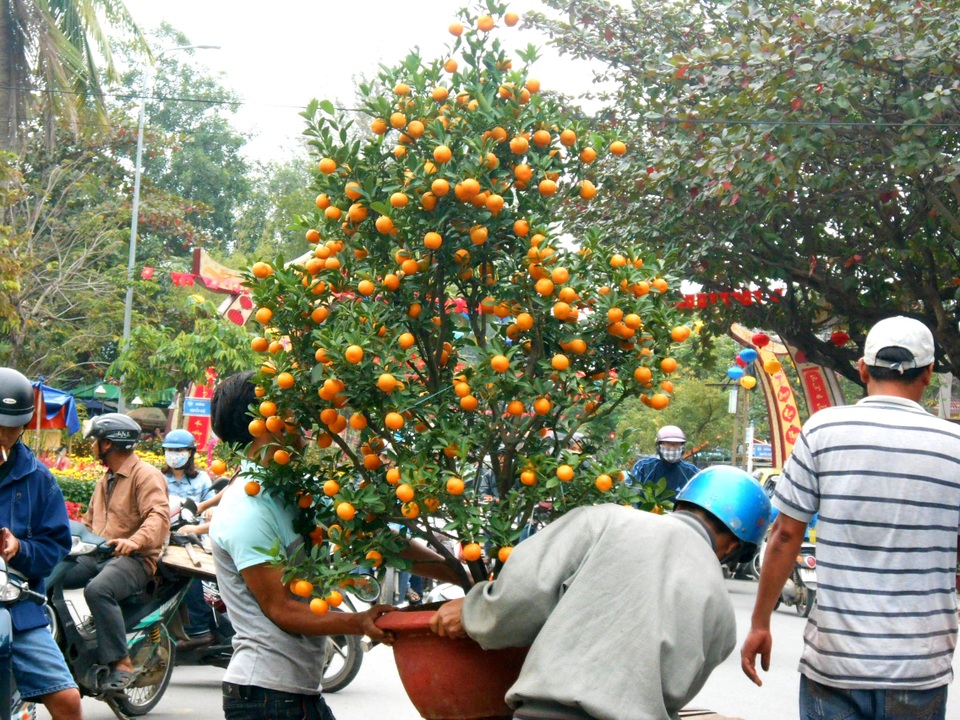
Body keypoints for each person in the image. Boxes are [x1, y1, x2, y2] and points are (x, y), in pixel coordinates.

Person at [741, 316, 960, 720]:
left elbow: (786, 536)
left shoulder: (823, 430)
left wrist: (759, 623)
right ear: (929, 373)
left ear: (862, 368)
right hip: (921, 665)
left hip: (836, 662)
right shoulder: (954, 445)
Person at [431, 465, 772, 720]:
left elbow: (521, 596)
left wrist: (471, 612)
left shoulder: (603, 521)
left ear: (681, 504)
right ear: (734, 548)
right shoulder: (723, 613)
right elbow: (676, 693)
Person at [210, 371, 458, 720]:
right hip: (265, 699)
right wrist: (359, 621)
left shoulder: (297, 492)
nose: (302, 421)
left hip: (294, 695)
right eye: (290, 410)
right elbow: (281, 608)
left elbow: (379, 541)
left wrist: (463, 577)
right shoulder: (245, 509)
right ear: (265, 421)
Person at [64, 413, 170, 692]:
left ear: (108, 444)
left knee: (98, 590)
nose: (92, 446)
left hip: (135, 559)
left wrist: (135, 541)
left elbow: (158, 516)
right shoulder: (105, 480)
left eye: (96, 441)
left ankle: (121, 662)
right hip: (99, 554)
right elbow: (88, 523)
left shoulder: (146, 475)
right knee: (50, 574)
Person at [0, 368, 82, 720]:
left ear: (24, 425)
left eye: (11, 427)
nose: (3, 435)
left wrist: (19, 548)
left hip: (17, 607)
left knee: (67, 700)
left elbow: (55, 546)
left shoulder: (38, 479)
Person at [160, 428, 218, 649]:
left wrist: (210, 511)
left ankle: (199, 628)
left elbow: (210, 504)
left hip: (193, 539)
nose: (174, 454)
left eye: (179, 450)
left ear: (190, 453)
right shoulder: (158, 478)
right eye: (170, 450)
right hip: (165, 537)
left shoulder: (201, 479)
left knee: (191, 576)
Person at [628, 425, 699, 498]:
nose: (672, 448)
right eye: (668, 443)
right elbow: (631, 494)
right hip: (644, 509)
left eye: (676, 444)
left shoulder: (691, 471)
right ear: (659, 445)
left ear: (682, 446)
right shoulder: (643, 466)